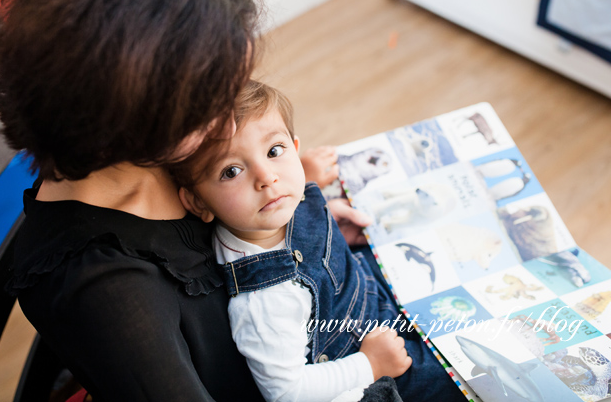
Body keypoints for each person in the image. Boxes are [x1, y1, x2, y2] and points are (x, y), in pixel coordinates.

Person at [0, 0, 266, 401]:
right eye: (206, 109)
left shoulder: (147, 155)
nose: (229, 125)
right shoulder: (108, 292)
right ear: (117, 122)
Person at [170, 81, 468, 402]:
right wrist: (369, 365)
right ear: (198, 203)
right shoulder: (265, 300)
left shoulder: (272, 209)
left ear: (294, 149)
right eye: (231, 171)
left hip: (367, 288)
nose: (267, 177)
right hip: (361, 362)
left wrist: (331, 225)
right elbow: (286, 391)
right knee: (463, 377)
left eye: (274, 151)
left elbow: (306, 234)